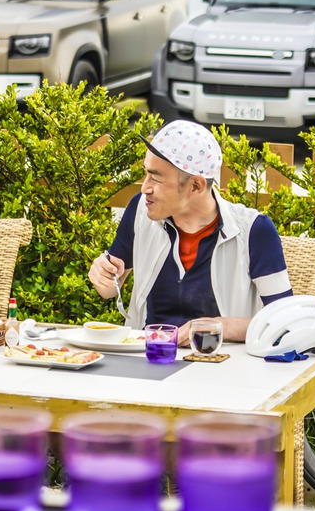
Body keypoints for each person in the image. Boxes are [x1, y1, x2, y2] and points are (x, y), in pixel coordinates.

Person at [87, 120, 293, 345]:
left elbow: (283, 322)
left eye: (155, 178)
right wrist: (102, 275)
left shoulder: (254, 230)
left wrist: (218, 326)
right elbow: (108, 289)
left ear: (195, 186)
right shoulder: (140, 210)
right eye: (145, 174)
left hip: (221, 365)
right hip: (148, 357)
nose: (144, 187)